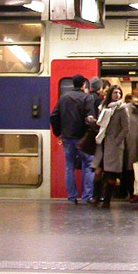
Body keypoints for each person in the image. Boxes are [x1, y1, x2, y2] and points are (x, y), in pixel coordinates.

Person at [51, 74, 97, 204]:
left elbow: (54, 116)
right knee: (88, 165)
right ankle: (87, 197)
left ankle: (72, 197)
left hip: (68, 138)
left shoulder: (64, 98)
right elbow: (90, 119)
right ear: (83, 85)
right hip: (83, 138)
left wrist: (59, 133)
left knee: (69, 167)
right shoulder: (87, 98)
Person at [92, 85, 128, 208]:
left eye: (119, 93)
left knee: (111, 174)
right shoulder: (102, 107)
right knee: (98, 171)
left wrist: (117, 141)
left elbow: (126, 128)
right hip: (102, 143)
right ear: (110, 94)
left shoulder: (122, 109)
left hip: (113, 146)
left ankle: (106, 200)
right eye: (115, 93)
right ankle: (96, 197)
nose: (117, 95)